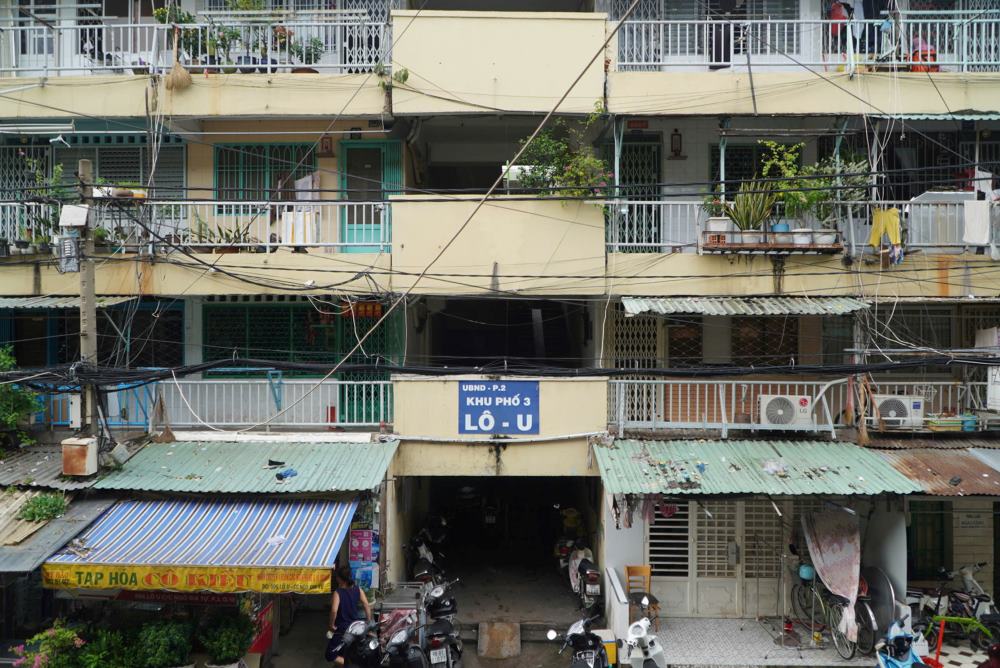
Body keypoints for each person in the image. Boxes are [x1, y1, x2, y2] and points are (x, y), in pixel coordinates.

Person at [327, 565, 372, 666]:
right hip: (355, 628)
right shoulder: (357, 589)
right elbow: (366, 605)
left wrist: (331, 625)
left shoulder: (338, 593)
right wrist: (368, 622)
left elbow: (334, 611)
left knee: (330, 654)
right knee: (346, 652)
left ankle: (349, 665)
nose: (336, 578)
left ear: (340, 579)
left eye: (337, 576)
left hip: (342, 629)